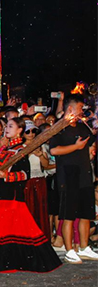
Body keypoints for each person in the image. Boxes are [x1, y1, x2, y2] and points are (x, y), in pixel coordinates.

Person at [0, 117, 62, 274]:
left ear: (20, 130)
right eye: (6, 125)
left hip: (12, 196)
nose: (6, 128)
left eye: (10, 126)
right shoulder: (6, 149)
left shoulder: (21, 150)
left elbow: (24, 174)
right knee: (16, 229)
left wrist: (6, 176)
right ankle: (9, 262)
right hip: (3, 194)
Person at [49, 94, 98, 263]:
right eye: (79, 108)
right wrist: (75, 147)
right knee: (68, 215)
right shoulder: (59, 127)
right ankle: (69, 249)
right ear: (70, 108)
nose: (81, 111)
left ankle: (84, 247)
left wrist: (91, 149)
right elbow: (54, 151)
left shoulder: (82, 126)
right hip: (68, 174)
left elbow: (91, 141)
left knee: (86, 213)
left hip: (84, 173)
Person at [22, 120, 51, 239]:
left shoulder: (41, 145)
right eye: (27, 131)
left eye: (33, 130)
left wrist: (39, 155)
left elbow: (45, 165)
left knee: (40, 210)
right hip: (27, 181)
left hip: (39, 180)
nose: (31, 134)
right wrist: (29, 153)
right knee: (28, 210)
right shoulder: (20, 147)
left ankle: (41, 237)